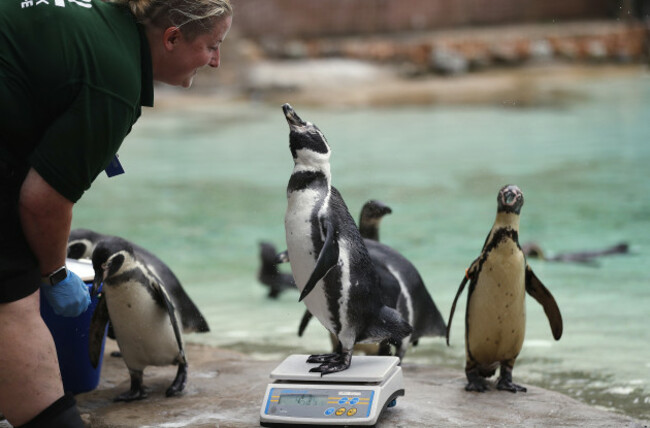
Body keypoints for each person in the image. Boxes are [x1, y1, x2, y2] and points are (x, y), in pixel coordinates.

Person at [0, 0, 232, 426]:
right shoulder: (115, 78)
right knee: (13, 303)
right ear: (172, 37)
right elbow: (42, 202)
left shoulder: (105, 26)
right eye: (213, 46)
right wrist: (53, 274)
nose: (217, 62)